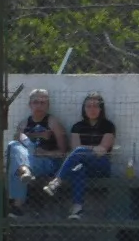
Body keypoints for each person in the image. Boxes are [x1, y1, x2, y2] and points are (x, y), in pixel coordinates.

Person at [43, 92, 115, 220]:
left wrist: (85, 149)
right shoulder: (77, 127)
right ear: (84, 108)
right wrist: (92, 149)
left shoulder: (108, 126)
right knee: (79, 168)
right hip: (82, 165)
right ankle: (77, 209)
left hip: (101, 165)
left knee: (79, 153)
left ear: (101, 109)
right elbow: (76, 149)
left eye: (95, 106)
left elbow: (102, 150)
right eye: (88, 106)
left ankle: (57, 181)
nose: (92, 109)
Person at [7, 88, 67, 217]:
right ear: (30, 105)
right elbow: (16, 145)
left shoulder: (53, 122)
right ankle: (25, 170)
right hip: (29, 159)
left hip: (47, 162)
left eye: (43, 102)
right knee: (13, 146)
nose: (39, 105)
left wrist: (44, 153)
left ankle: (17, 205)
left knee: (17, 164)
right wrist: (36, 137)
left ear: (48, 105)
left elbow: (63, 153)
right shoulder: (24, 123)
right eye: (36, 102)